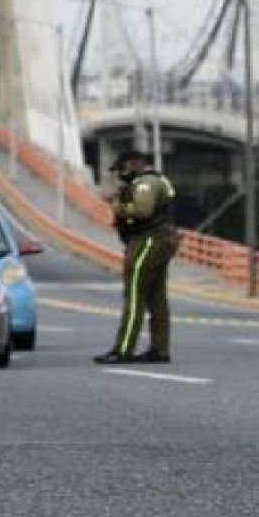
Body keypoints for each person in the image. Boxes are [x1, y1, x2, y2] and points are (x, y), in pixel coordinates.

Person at [94, 151, 180, 365]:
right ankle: (159, 349)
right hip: (160, 240)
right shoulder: (156, 180)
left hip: (148, 241)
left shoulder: (146, 184)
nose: (121, 175)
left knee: (134, 295)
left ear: (134, 164)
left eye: (123, 169)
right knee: (156, 298)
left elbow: (143, 210)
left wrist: (118, 206)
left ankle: (123, 349)